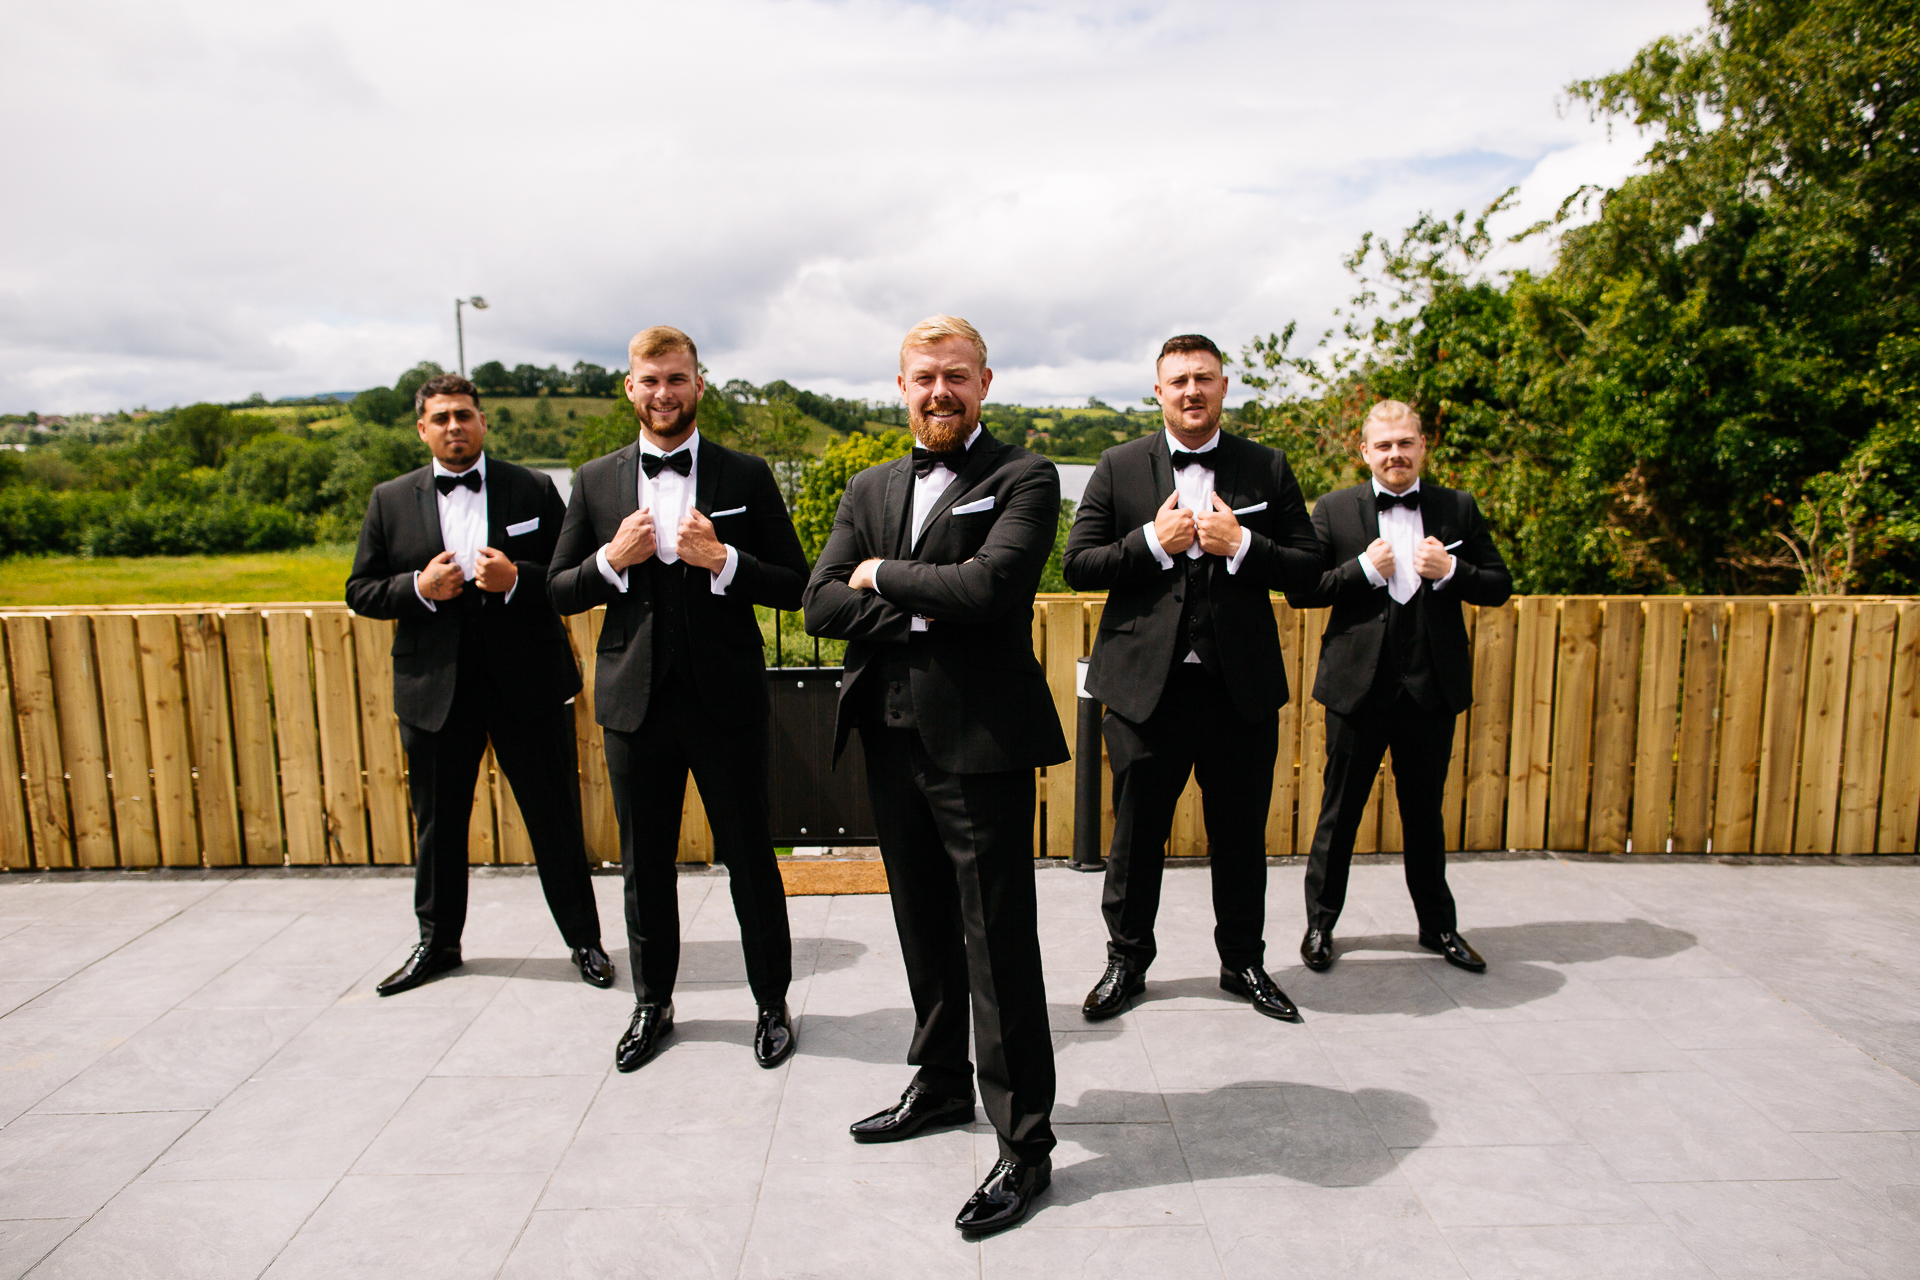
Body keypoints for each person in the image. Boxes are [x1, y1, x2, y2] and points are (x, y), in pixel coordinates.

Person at [802, 315, 1067, 1238]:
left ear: (984, 383)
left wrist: (881, 575)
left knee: (998, 943)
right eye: (924, 377)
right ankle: (942, 1084)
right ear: (902, 385)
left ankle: (1025, 1144)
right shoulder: (870, 483)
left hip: (982, 745)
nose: (939, 391)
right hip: (886, 736)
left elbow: (994, 591)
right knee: (920, 924)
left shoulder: (1024, 476)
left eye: (957, 375)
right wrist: (913, 600)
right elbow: (818, 602)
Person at [547, 326, 806, 1073]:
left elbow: (794, 583)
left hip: (726, 703)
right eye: (650, 380)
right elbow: (559, 592)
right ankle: (652, 1004)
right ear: (629, 389)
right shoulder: (595, 482)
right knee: (644, 863)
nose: (664, 393)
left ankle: (771, 1003)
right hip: (634, 707)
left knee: (752, 859)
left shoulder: (746, 475)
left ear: (700, 384)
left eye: (677, 378)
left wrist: (723, 561)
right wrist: (608, 560)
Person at [1063, 334, 1323, 1024]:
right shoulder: (1119, 467)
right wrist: (1152, 543)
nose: (1191, 391)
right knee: (1136, 835)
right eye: (1178, 380)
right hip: (1147, 692)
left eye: (1203, 378)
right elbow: (1078, 564)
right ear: (1158, 392)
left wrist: (1245, 546)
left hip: (1239, 691)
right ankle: (1127, 962)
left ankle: (1243, 963)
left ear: (1223, 387)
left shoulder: (1266, 467)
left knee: (1240, 834)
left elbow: (1309, 568)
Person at [346, 373, 611, 997]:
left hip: (528, 687)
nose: (454, 427)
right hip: (435, 692)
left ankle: (585, 942)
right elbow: (359, 591)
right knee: (438, 825)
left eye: (463, 415)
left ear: (483, 421)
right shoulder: (389, 499)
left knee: (555, 820)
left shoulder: (533, 487)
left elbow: (570, 574)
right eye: (440, 418)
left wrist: (517, 578)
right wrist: (417, 587)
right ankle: (437, 945)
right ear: (422, 428)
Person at [1289, 399, 1513, 974]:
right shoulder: (1335, 510)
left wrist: (1454, 573)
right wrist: (1361, 569)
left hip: (1430, 689)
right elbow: (1304, 589)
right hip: (1356, 690)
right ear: (1364, 452)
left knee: (1425, 813)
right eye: (1383, 445)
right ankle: (1320, 926)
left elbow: (1498, 585)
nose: (1395, 454)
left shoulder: (1457, 508)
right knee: (1340, 812)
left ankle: (1438, 927)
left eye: (1405, 443)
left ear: (1421, 447)